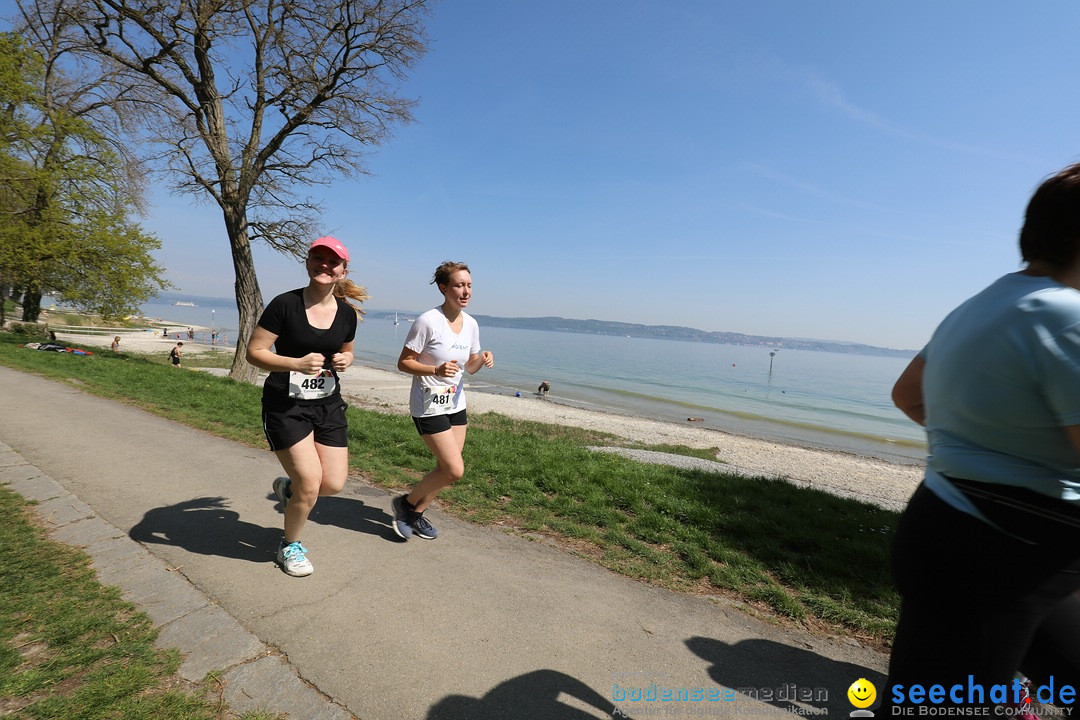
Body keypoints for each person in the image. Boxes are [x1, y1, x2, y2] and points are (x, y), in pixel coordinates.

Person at [883, 163, 1080, 712]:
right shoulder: (1069, 318)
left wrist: (986, 444)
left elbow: (907, 395)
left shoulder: (981, 305)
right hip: (999, 557)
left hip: (958, 533)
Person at [245, 236, 366, 577]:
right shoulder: (285, 305)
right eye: (318, 258)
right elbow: (255, 353)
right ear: (309, 262)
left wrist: (347, 359)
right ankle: (289, 545)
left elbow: (349, 350)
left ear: (343, 271)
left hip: (327, 404)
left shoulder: (346, 314)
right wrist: (295, 364)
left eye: (333, 262)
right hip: (285, 406)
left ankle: (288, 489)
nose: (324, 265)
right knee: (311, 484)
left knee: (333, 485)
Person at [391, 260, 494, 541]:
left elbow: (467, 367)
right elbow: (404, 363)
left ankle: (415, 514)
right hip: (428, 404)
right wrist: (434, 370)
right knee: (454, 469)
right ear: (443, 288)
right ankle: (406, 504)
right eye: (459, 285)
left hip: (456, 403)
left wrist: (482, 359)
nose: (466, 291)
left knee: (446, 471)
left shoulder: (471, 324)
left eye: (469, 285)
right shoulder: (428, 321)